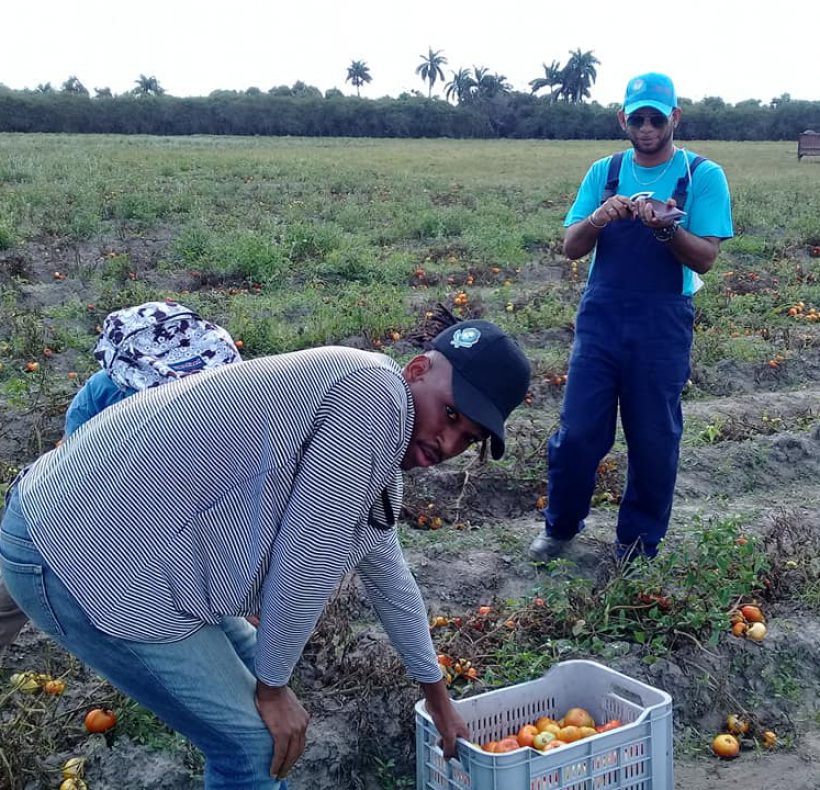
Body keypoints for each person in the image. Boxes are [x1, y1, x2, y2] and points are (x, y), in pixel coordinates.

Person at [0, 318, 531, 788]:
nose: (448, 441)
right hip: (77, 553)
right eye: (452, 413)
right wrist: (273, 690)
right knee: (255, 744)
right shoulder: (369, 398)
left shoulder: (372, 412)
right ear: (417, 370)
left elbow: (387, 572)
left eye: (469, 437)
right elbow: (307, 560)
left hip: (123, 547)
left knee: (266, 691)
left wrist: (437, 696)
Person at [529, 72, 733, 563]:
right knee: (578, 433)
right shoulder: (606, 171)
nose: (645, 128)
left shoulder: (700, 175)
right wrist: (601, 216)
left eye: (655, 119)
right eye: (636, 118)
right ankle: (560, 527)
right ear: (622, 118)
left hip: (661, 324)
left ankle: (638, 544)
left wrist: (666, 231)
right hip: (601, 320)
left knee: (653, 438)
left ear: (674, 119)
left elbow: (704, 257)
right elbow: (571, 246)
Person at [0, 300, 242, 647]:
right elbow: (74, 474)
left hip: (168, 521)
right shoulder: (104, 396)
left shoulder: (221, 410)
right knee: (20, 580)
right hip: (79, 512)